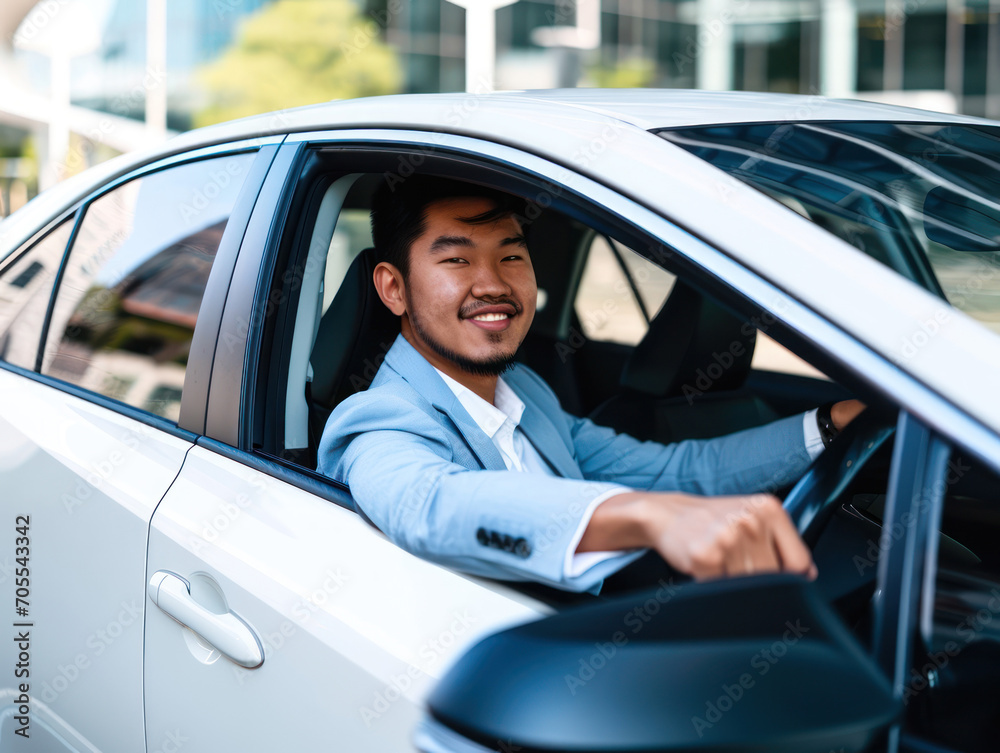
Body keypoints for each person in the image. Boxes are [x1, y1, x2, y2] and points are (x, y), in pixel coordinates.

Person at [317, 176, 863, 592]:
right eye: (458, 259)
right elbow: (428, 504)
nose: (493, 283)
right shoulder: (378, 416)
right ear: (393, 289)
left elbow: (676, 471)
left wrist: (830, 424)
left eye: (511, 255)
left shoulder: (525, 392)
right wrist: (647, 516)